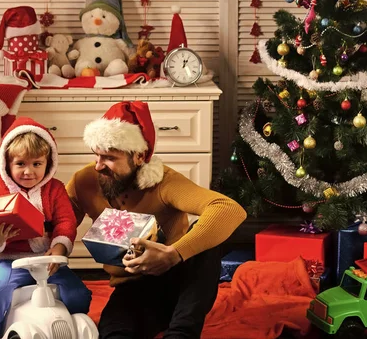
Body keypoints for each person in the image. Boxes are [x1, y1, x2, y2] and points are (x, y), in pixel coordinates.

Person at [69, 100, 247, 339]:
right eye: (97, 155)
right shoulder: (85, 180)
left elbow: (229, 209)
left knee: (208, 240)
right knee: (113, 334)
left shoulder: (166, 182)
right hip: (131, 289)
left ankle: (182, 333)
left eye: (110, 158)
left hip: (179, 280)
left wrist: (173, 254)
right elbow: (57, 220)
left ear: (140, 156)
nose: (99, 165)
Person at [0, 117, 92, 339]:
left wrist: (59, 249)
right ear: (6, 164)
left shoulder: (55, 190)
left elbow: (66, 221)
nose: (29, 172)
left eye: (37, 164)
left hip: (48, 261)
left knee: (78, 294)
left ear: (48, 162)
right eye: (20, 164)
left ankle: (70, 328)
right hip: (12, 261)